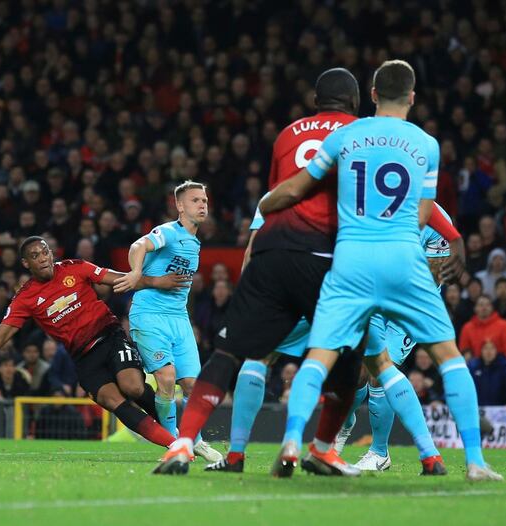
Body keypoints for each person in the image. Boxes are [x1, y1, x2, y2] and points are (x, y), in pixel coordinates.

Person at [250, 60, 500, 481]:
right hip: (403, 257)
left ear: (372, 94)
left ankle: (293, 439)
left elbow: (295, 188)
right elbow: (423, 215)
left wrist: (264, 207)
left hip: (352, 261)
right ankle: (474, 461)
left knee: (321, 355)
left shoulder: (347, 135)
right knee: (447, 357)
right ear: (413, 97)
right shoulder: (427, 145)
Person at [154, 68, 366, 476]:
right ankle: (321, 449)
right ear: (356, 101)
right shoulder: (362, 133)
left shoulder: (288, 134)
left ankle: (184, 443)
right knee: (347, 361)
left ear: (315, 100)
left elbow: (274, 199)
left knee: (232, 353)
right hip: (327, 258)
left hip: (271, 252)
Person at [0, 237, 174, 449]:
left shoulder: (77, 268)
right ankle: (174, 445)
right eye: (35, 255)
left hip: (109, 336)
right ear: (26, 264)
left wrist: (157, 282)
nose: (43, 258)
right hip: (83, 357)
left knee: (132, 386)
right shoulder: (25, 298)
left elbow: (120, 279)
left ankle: (179, 433)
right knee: (111, 400)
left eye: (45, 251)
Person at [332, 202, 462, 473]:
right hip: (375, 299)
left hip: (410, 308)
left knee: (381, 370)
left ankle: (379, 452)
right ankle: (343, 426)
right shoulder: (376, 207)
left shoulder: (438, 219)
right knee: (356, 373)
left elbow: (433, 274)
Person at [113, 181, 221, 463]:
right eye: (196, 200)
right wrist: (136, 271)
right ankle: (174, 442)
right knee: (166, 379)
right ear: (180, 205)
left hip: (179, 318)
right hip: (149, 315)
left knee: (191, 385)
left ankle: (194, 441)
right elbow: (139, 245)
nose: (202, 205)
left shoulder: (194, 242)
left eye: (205, 201)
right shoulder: (169, 232)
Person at [459, 295, 506, 362]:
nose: (484, 308)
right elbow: (463, 350)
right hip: (475, 366)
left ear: (492, 308)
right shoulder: (467, 327)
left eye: (487, 305)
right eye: (481, 305)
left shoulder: (504, 325)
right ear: (475, 308)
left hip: (500, 365)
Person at [468, 341, 506, 406]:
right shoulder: (473, 367)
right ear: (481, 351)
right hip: (478, 407)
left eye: (492, 348)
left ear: (497, 351)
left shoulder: (505, 367)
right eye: (485, 348)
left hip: (499, 409)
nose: (489, 352)